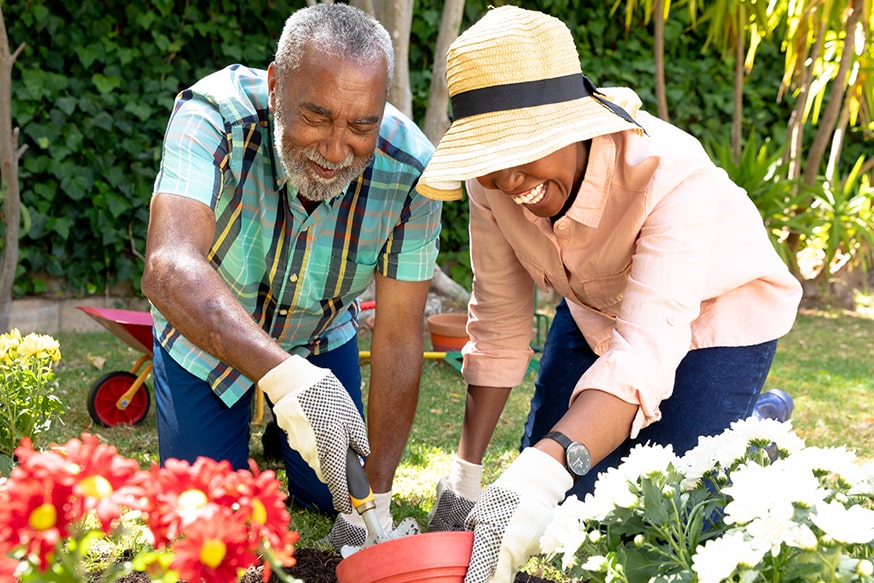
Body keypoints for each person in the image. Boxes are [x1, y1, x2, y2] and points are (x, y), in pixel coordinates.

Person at [414, 6, 803, 582]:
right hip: (600, 312)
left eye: (523, 149)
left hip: (719, 314)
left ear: (572, 125)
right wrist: (466, 478)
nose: (509, 180)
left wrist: (539, 474)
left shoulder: (671, 173)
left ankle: (756, 424)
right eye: (491, 158)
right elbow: (497, 323)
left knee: (669, 517)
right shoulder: (489, 183)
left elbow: (642, 352)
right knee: (566, 514)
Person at [141, 3, 441, 550]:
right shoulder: (213, 115)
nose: (335, 150)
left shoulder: (413, 171)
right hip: (207, 337)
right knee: (210, 518)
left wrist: (377, 497)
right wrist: (285, 378)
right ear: (277, 85)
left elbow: (399, 335)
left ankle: (289, 430)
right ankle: (286, 405)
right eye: (317, 117)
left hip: (320, 337)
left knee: (338, 500)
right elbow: (168, 266)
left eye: (361, 126)